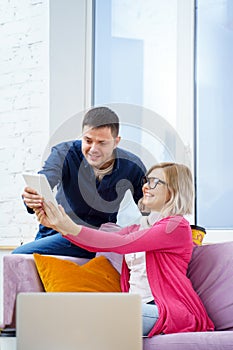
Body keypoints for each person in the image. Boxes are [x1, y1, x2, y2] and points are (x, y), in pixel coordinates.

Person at [35, 162, 215, 337]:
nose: (145, 187)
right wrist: (60, 227)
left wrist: (70, 226)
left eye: (154, 182)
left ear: (173, 190)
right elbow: (103, 242)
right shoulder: (138, 228)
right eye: (146, 181)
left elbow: (122, 244)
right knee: (72, 317)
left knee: (89, 316)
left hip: (164, 309)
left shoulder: (176, 226)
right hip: (135, 304)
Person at [13, 106, 146, 258]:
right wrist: (31, 198)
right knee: (17, 258)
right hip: (58, 233)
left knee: (18, 257)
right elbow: (44, 181)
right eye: (88, 140)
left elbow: (148, 207)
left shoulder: (132, 166)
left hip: (97, 238)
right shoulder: (64, 153)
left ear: (116, 142)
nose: (93, 149)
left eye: (102, 143)